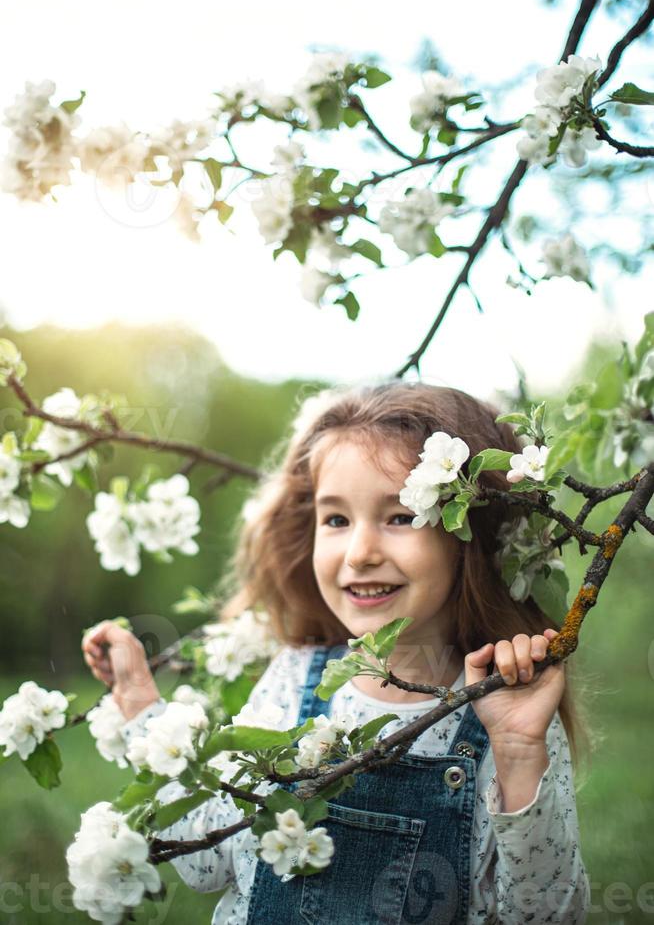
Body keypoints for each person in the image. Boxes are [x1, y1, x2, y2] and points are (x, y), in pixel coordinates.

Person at [82, 380, 591, 924]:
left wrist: (517, 753)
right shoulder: (293, 679)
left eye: (400, 517)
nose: (360, 552)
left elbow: (548, 915)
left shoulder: (508, 716)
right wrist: (141, 707)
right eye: (336, 519)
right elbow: (207, 861)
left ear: (472, 531)